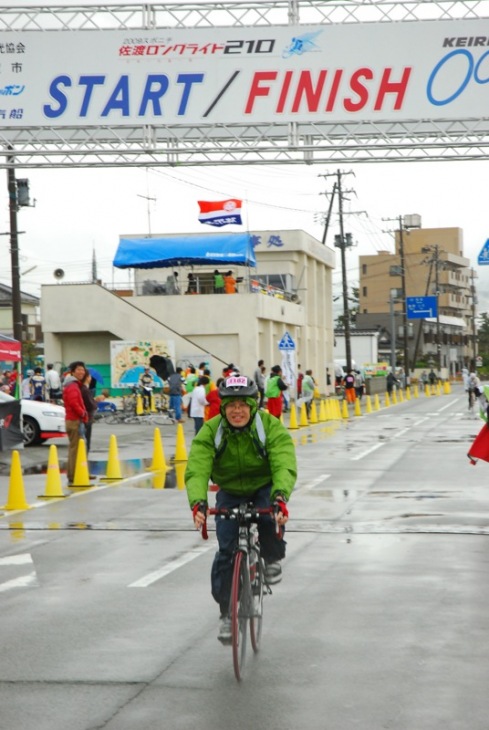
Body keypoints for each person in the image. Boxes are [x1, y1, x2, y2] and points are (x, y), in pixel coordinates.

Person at [185, 375, 297, 644]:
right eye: (231, 405)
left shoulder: (268, 426)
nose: (237, 411)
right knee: (226, 551)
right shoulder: (212, 431)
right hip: (229, 490)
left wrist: (280, 497)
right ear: (223, 408)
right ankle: (226, 614)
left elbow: (284, 460)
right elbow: (198, 467)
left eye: (243, 405)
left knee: (269, 518)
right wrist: (198, 502)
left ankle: (270, 558)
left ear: (253, 405)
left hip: (263, 485)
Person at [62, 361, 89, 486]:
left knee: (76, 447)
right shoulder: (72, 386)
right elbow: (74, 403)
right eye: (78, 370)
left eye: (83, 370)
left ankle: (75, 473)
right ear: (72, 372)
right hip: (74, 420)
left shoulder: (73, 384)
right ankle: (73, 475)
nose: (81, 372)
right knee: (75, 449)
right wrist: (82, 413)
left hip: (73, 419)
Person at [80, 367, 98, 453]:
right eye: (89, 376)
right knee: (86, 437)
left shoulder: (82, 388)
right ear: (87, 378)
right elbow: (90, 404)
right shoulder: (85, 390)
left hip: (85, 416)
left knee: (83, 437)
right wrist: (94, 403)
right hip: (86, 416)